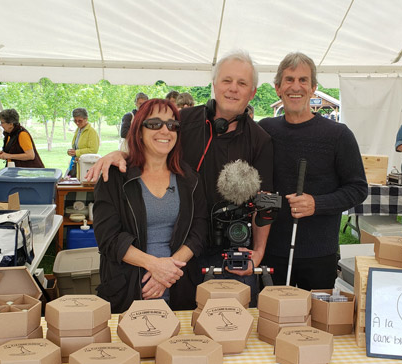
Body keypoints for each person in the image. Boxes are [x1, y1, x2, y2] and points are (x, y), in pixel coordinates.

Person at [86, 51, 273, 306]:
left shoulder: (260, 140)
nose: (233, 89)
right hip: (174, 262)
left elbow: (265, 203)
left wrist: (259, 253)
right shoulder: (182, 122)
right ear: (214, 85)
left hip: (224, 252)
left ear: (252, 93)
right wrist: (120, 153)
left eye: (242, 83)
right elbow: (151, 142)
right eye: (227, 80)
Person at [258, 52, 368, 290]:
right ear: (277, 88)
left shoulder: (338, 135)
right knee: (271, 320)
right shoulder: (265, 130)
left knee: (315, 324)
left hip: (319, 252)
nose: (295, 87)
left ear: (313, 88)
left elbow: (358, 188)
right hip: (271, 249)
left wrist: (317, 204)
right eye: (288, 80)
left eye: (303, 80)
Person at [94, 98, 207, 313]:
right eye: (155, 124)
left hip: (178, 291)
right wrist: (155, 266)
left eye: (172, 125)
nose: (165, 130)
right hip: (126, 293)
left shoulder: (189, 179)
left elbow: (199, 230)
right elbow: (108, 238)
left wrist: (168, 271)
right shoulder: (115, 177)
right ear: (139, 131)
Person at [66, 108, 100, 177]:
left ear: (86, 119)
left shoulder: (91, 132)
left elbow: (93, 150)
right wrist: (71, 152)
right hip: (77, 164)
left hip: (86, 166)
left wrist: (76, 152)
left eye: (80, 121)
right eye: (75, 121)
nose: (77, 123)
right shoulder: (78, 130)